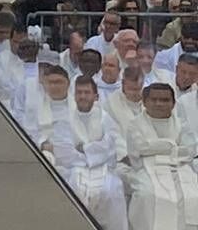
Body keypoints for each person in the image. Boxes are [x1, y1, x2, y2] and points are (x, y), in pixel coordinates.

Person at [44, 74, 129, 230]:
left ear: (95, 96)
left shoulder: (105, 118)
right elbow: (64, 152)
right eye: (79, 92)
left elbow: (110, 148)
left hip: (104, 169)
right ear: (74, 95)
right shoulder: (66, 120)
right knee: (73, 188)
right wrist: (90, 153)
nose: (82, 96)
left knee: (112, 189)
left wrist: (83, 149)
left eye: (86, 92)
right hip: (74, 170)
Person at [127, 82, 198, 229]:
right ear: (145, 102)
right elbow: (139, 149)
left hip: (181, 169)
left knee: (192, 195)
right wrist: (172, 145)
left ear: (173, 104)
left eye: (165, 100)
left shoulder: (180, 124)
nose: (159, 104)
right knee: (147, 195)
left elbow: (190, 150)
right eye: (154, 99)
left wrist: (156, 147)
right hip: (146, 170)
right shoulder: (135, 124)